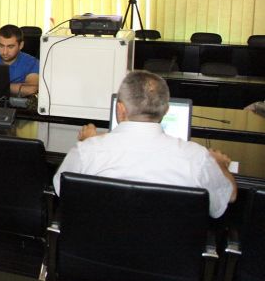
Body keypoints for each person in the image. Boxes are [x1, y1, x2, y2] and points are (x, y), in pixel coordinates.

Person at [53, 70, 237, 218]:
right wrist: (220, 164)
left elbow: (62, 189)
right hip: (167, 253)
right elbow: (230, 196)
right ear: (166, 110)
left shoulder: (87, 151)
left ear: (120, 109)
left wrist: (88, 143)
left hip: (95, 250)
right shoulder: (196, 157)